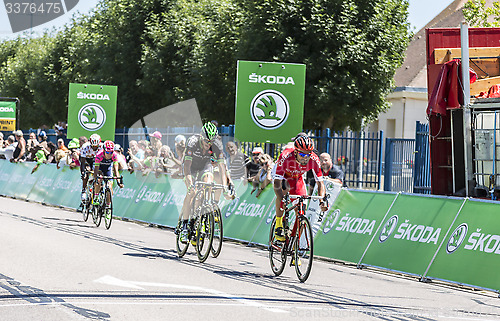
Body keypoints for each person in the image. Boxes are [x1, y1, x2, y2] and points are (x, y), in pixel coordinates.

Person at [178, 122, 233, 244]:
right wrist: (190, 184)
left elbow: (222, 168)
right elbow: (186, 166)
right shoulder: (192, 142)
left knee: (208, 184)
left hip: (205, 165)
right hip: (191, 167)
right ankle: (185, 227)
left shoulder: (217, 145)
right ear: (201, 137)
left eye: (211, 142)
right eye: (206, 141)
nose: (208, 144)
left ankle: (201, 216)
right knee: (191, 192)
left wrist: (225, 188)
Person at [273, 135, 328, 242]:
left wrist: (322, 200)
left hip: (297, 179)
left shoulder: (314, 159)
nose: (305, 157)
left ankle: (294, 248)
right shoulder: (285, 156)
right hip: (283, 178)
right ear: (295, 152)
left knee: (302, 211)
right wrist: (282, 199)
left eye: (308, 154)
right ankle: (279, 224)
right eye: (302, 154)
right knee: (283, 193)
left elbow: (320, 183)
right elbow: (276, 184)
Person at [92, 140, 124, 218]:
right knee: (98, 180)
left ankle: (108, 208)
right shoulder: (99, 155)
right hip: (99, 168)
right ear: (104, 150)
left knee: (110, 187)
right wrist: (95, 178)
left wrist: (119, 182)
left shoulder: (115, 155)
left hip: (108, 169)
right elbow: (96, 169)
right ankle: (96, 197)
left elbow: (116, 170)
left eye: (111, 152)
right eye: (108, 152)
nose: (109, 154)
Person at [79, 134, 102, 201]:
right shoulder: (85, 146)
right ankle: (83, 190)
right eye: (93, 146)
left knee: (98, 173)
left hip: (96, 159)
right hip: (87, 159)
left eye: (96, 147)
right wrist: (83, 173)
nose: (94, 148)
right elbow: (82, 162)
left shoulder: (101, 146)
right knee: (86, 173)